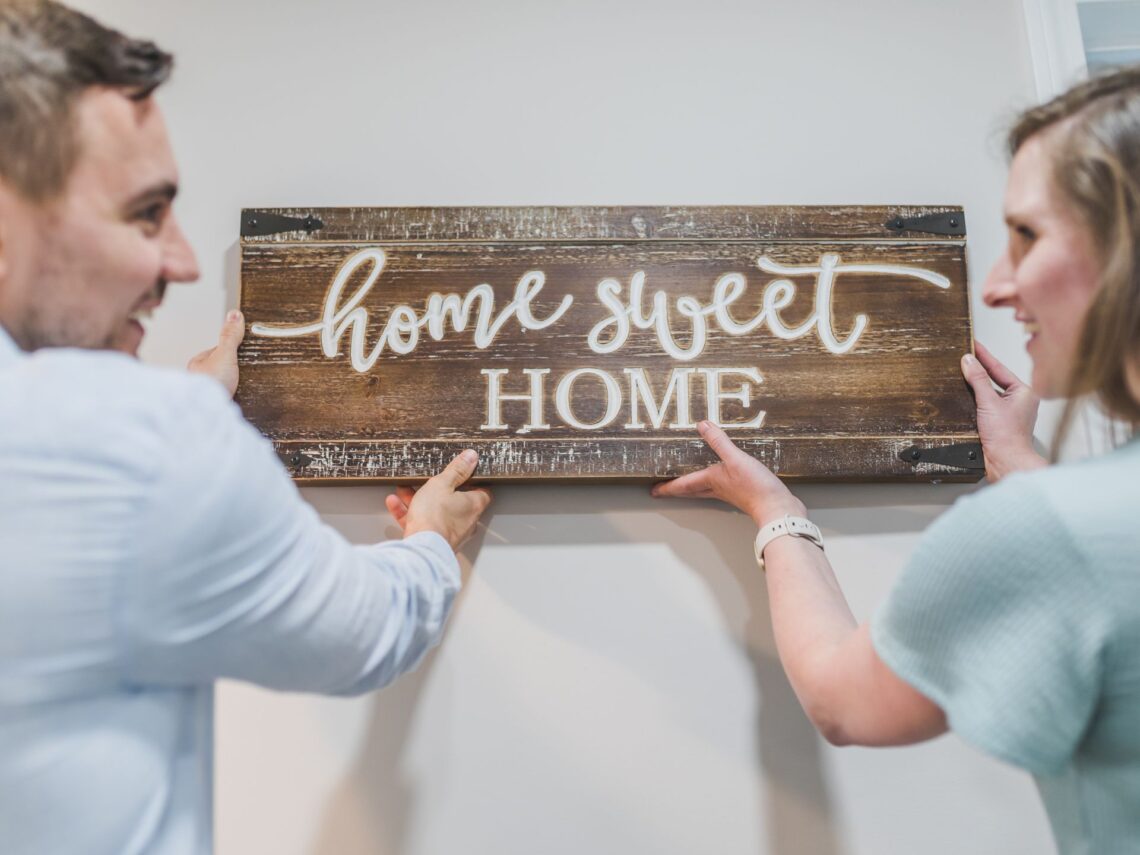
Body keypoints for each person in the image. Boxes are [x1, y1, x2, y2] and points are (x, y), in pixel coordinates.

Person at [0, 2, 490, 853]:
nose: (184, 261)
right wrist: (430, 540)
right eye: (145, 213)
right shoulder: (146, 449)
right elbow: (363, 631)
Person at [655, 65, 1140, 854]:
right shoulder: (1066, 523)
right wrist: (1015, 457)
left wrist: (776, 513)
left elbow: (845, 702)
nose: (994, 286)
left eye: (1027, 235)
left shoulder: (1042, 532)